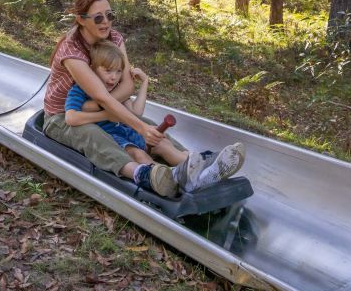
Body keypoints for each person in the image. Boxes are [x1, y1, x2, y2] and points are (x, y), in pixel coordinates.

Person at [43, 0, 243, 198]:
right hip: (63, 116)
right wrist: (118, 115)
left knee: (148, 126)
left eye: (110, 15)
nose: (106, 22)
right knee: (94, 134)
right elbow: (102, 96)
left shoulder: (114, 39)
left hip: (98, 110)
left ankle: (195, 163)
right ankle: (148, 174)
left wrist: (104, 110)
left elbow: (127, 86)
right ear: (81, 19)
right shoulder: (71, 50)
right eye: (98, 18)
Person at [64, 40, 245, 192]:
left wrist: (145, 82)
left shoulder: (116, 90)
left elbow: (136, 112)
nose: (114, 77)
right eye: (108, 71)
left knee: (163, 144)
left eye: (118, 71)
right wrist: (106, 115)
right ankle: (169, 180)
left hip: (128, 133)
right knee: (139, 154)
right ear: (93, 70)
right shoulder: (80, 90)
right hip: (110, 138)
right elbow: (71, 118)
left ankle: (206, 168)